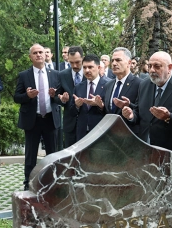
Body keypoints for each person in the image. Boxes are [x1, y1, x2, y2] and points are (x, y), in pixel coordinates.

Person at [122, 51, 172, 166]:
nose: (152, 70)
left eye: (157, 66)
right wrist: (131, 115)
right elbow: (139, 111)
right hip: (145, 149)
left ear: (170, 67)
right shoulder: (144, 85)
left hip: (170, 153)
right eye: (149, 66)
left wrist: (168, 117)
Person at [14, 44, 61, 191]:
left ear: (46, 55)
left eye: (41, 52)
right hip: (32, 120)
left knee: (52, 154)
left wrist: (56, 96)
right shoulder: (24, 75)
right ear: (30, 57)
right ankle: (28, 184)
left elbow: (60, 98)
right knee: (30, 155)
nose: (39, 55)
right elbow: (16, 97)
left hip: (50, 119)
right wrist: (27, 96)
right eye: (35, 53)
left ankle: (52, 183)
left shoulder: (55, 74)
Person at [103, 47, 142, 136]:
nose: (114, 63)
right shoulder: (108, 85)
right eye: (112, 60)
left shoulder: (139, 84)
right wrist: (100, 106)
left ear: (129, 63)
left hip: (130, 136)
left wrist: (131, 115)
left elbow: (141, 111)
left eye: (118, 60)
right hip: (111, 136)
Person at [71, 54, 110, 141]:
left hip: (101, 132)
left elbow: (112, 111)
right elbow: (72, 112)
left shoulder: (108, 85)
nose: (87, 70)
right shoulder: (78, 87)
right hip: (82, 133)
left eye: (90, 67)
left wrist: (101, 106)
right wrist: (77, 106)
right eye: (84, 67)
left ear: (99, 67)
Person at [57, 46, 85, 148]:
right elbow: (56, 95)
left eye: (77, 62)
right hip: (70, 124)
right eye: (71, 63)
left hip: (87, 124)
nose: (74, 65)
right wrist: (62, 99)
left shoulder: (90, 73)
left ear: (83, 58)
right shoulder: (62, 75)